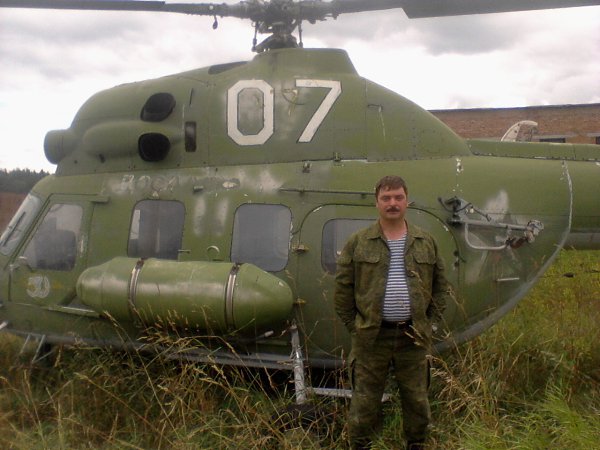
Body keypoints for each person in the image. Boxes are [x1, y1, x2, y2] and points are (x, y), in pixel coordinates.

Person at [334, 175, 454, 450]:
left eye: (398, 197)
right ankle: (360, 445)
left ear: (407, 201)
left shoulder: (425, 241)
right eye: (386, 198)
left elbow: (440, 288)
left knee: (417, 401)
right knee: (364, 403)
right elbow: (342, 291)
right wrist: (357, 328)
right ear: (377, 203)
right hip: (371, 338)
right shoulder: (359, 242)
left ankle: (416, 444)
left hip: (413, 337)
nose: (392, 203)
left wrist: (430, 324)